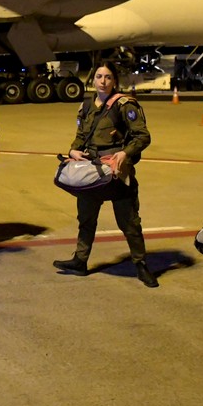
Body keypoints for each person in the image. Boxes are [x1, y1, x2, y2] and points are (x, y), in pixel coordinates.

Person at [53, 61, 158, 288]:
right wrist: (73, 150)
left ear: (114, 81)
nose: (103, 81)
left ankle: (141, 265)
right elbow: (81, 136)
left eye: (108, 77)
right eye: (99, 76)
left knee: (129, 222)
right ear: (93, 80)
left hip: (117, 172)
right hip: (91, 171)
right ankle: (80, 260)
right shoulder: (86, 106)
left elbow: (143, 136)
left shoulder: (124, 105)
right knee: (86, 219)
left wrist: (125, 153)